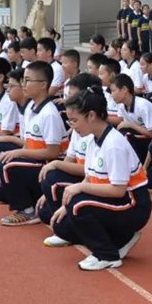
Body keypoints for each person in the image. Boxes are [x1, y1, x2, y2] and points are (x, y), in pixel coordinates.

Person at [48, 87, 152, 271]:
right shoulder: (93, 140)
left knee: (78, 206)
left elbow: (118, 190)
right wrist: (66, 206)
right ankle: (121, 239)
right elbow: (90, 177)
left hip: (133, 204)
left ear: (91, 116)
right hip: (116, 201)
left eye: (75, 120)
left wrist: (78, 189)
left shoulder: (113, 144)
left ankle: (107, 255)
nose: (72, 126)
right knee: (61, 224)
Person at [0, 61, 66, 226]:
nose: (23, 84)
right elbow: (29, 143)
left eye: (28, 80)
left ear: (43, 85)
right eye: (23, 80)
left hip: (50, 165)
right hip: (36, 161)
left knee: (8, 166)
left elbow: (53, 153)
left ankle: (27, 210)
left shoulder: (49, 113)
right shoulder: (32, 108)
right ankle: (32, 199)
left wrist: (19, 153)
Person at [36, 72, 101, 245]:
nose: (67, 101)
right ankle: (67, 223)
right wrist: (47, 194)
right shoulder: (80, 127)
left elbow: (90, 172)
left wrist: (56, 165)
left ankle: (70, 229)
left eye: (71, 95)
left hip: (101, 187)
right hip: (88, 180)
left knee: (52, 179)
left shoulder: (95, 132)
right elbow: (70, 159)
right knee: (44, 210)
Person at [110, 74, 152, 163]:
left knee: (126, 135)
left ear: (124, 89)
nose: (111, 95)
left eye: (113, 91)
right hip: (140, 139)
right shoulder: (122, 106)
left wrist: (130, 125)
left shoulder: (143, 106)